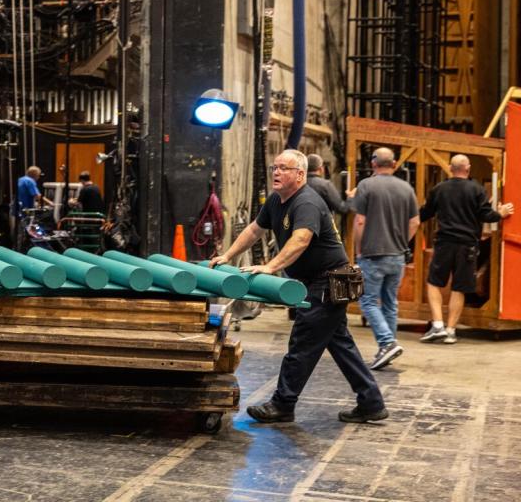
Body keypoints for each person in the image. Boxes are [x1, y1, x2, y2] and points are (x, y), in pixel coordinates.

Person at [210, 149, 387, 424]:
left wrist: (270, 267)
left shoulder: (306, 202)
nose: (277, 172)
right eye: (275, 167)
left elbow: (301, 239)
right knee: (340, 345)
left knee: (302, 343)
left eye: (284, 168)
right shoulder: (276, 200)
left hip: (328, 283)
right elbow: (254, 230)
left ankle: (282, 404)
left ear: (300, 174)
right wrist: (228, 255)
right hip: (319, 281)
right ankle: (372, 402)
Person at [418, 154, 514, 344]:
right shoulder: (476, 189)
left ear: (450, 169)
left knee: (434, 282)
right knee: (459, 287)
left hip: (444, 242)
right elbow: (487, 216)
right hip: (468, 245)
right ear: (468, 169)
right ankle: (451, 331)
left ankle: (437, 325)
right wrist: (501, 214)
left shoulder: (439, 189)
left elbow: (425, 213)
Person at [349, 147, 419, 370]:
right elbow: (415, 223)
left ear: (373, 164)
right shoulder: (406, 188)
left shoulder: (366, 186)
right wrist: (402, 242)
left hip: (373, 254)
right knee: (390, 303)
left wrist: (358, 249)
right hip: (397, 256)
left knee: (367, 301)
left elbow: (360, 221)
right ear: (395, 163)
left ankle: (387, 342)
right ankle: (388, 347)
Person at [306, 154, 349, 218]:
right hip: (322, 225)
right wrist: (351, 198)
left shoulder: (298, 183)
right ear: (321, 169)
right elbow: (342, 209)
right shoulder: (325, 185)